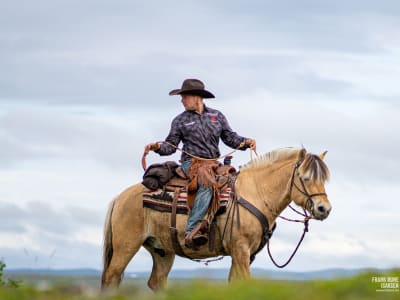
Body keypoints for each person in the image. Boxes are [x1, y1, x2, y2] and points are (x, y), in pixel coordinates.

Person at [145, 78, 256, 248]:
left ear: (197, 97)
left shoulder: (217, 116)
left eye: (185, 96)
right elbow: (171, 145)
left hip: (213, 163)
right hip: (192, 164)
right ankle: (192, 229)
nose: (182, 100)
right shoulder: (180, 120)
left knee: (233, 180)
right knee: (206, 181)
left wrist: (245, 141)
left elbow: (230, 138)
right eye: (182, 97)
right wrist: (157, 147)